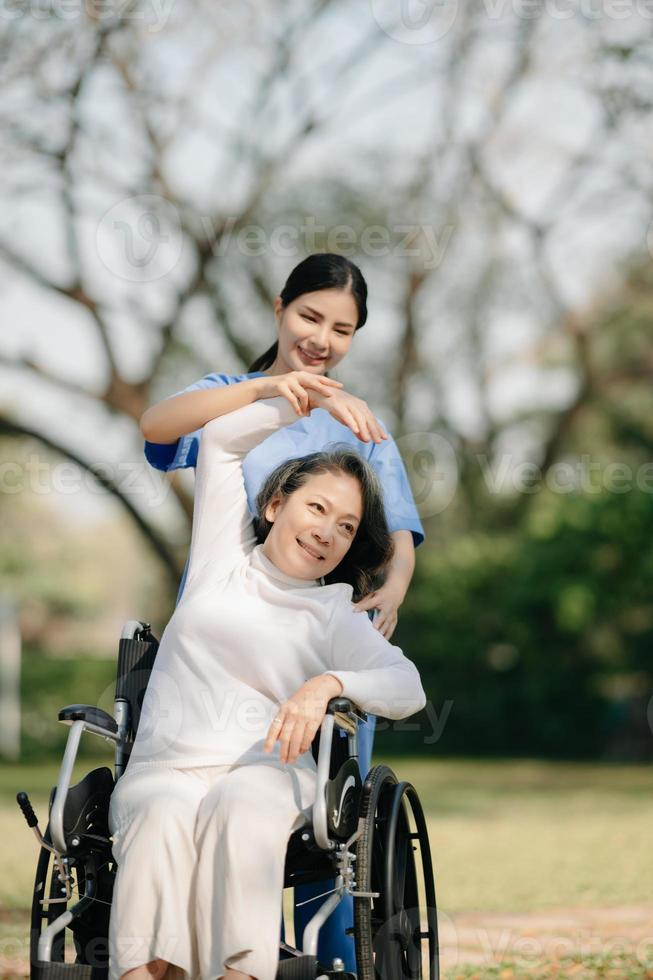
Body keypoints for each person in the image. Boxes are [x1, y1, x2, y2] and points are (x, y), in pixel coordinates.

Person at [140, 253, 425, 971]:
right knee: (182, 797)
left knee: (312, 816)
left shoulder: (362, 421)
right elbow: (156, 426)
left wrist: (391, 589)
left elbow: (395, 534)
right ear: (278, 307)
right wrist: (273, 388)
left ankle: (325, 956)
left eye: (343, 328)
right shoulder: (232, 397)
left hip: (315, 629)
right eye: (310, 316)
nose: (323, 338)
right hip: (226, 611)